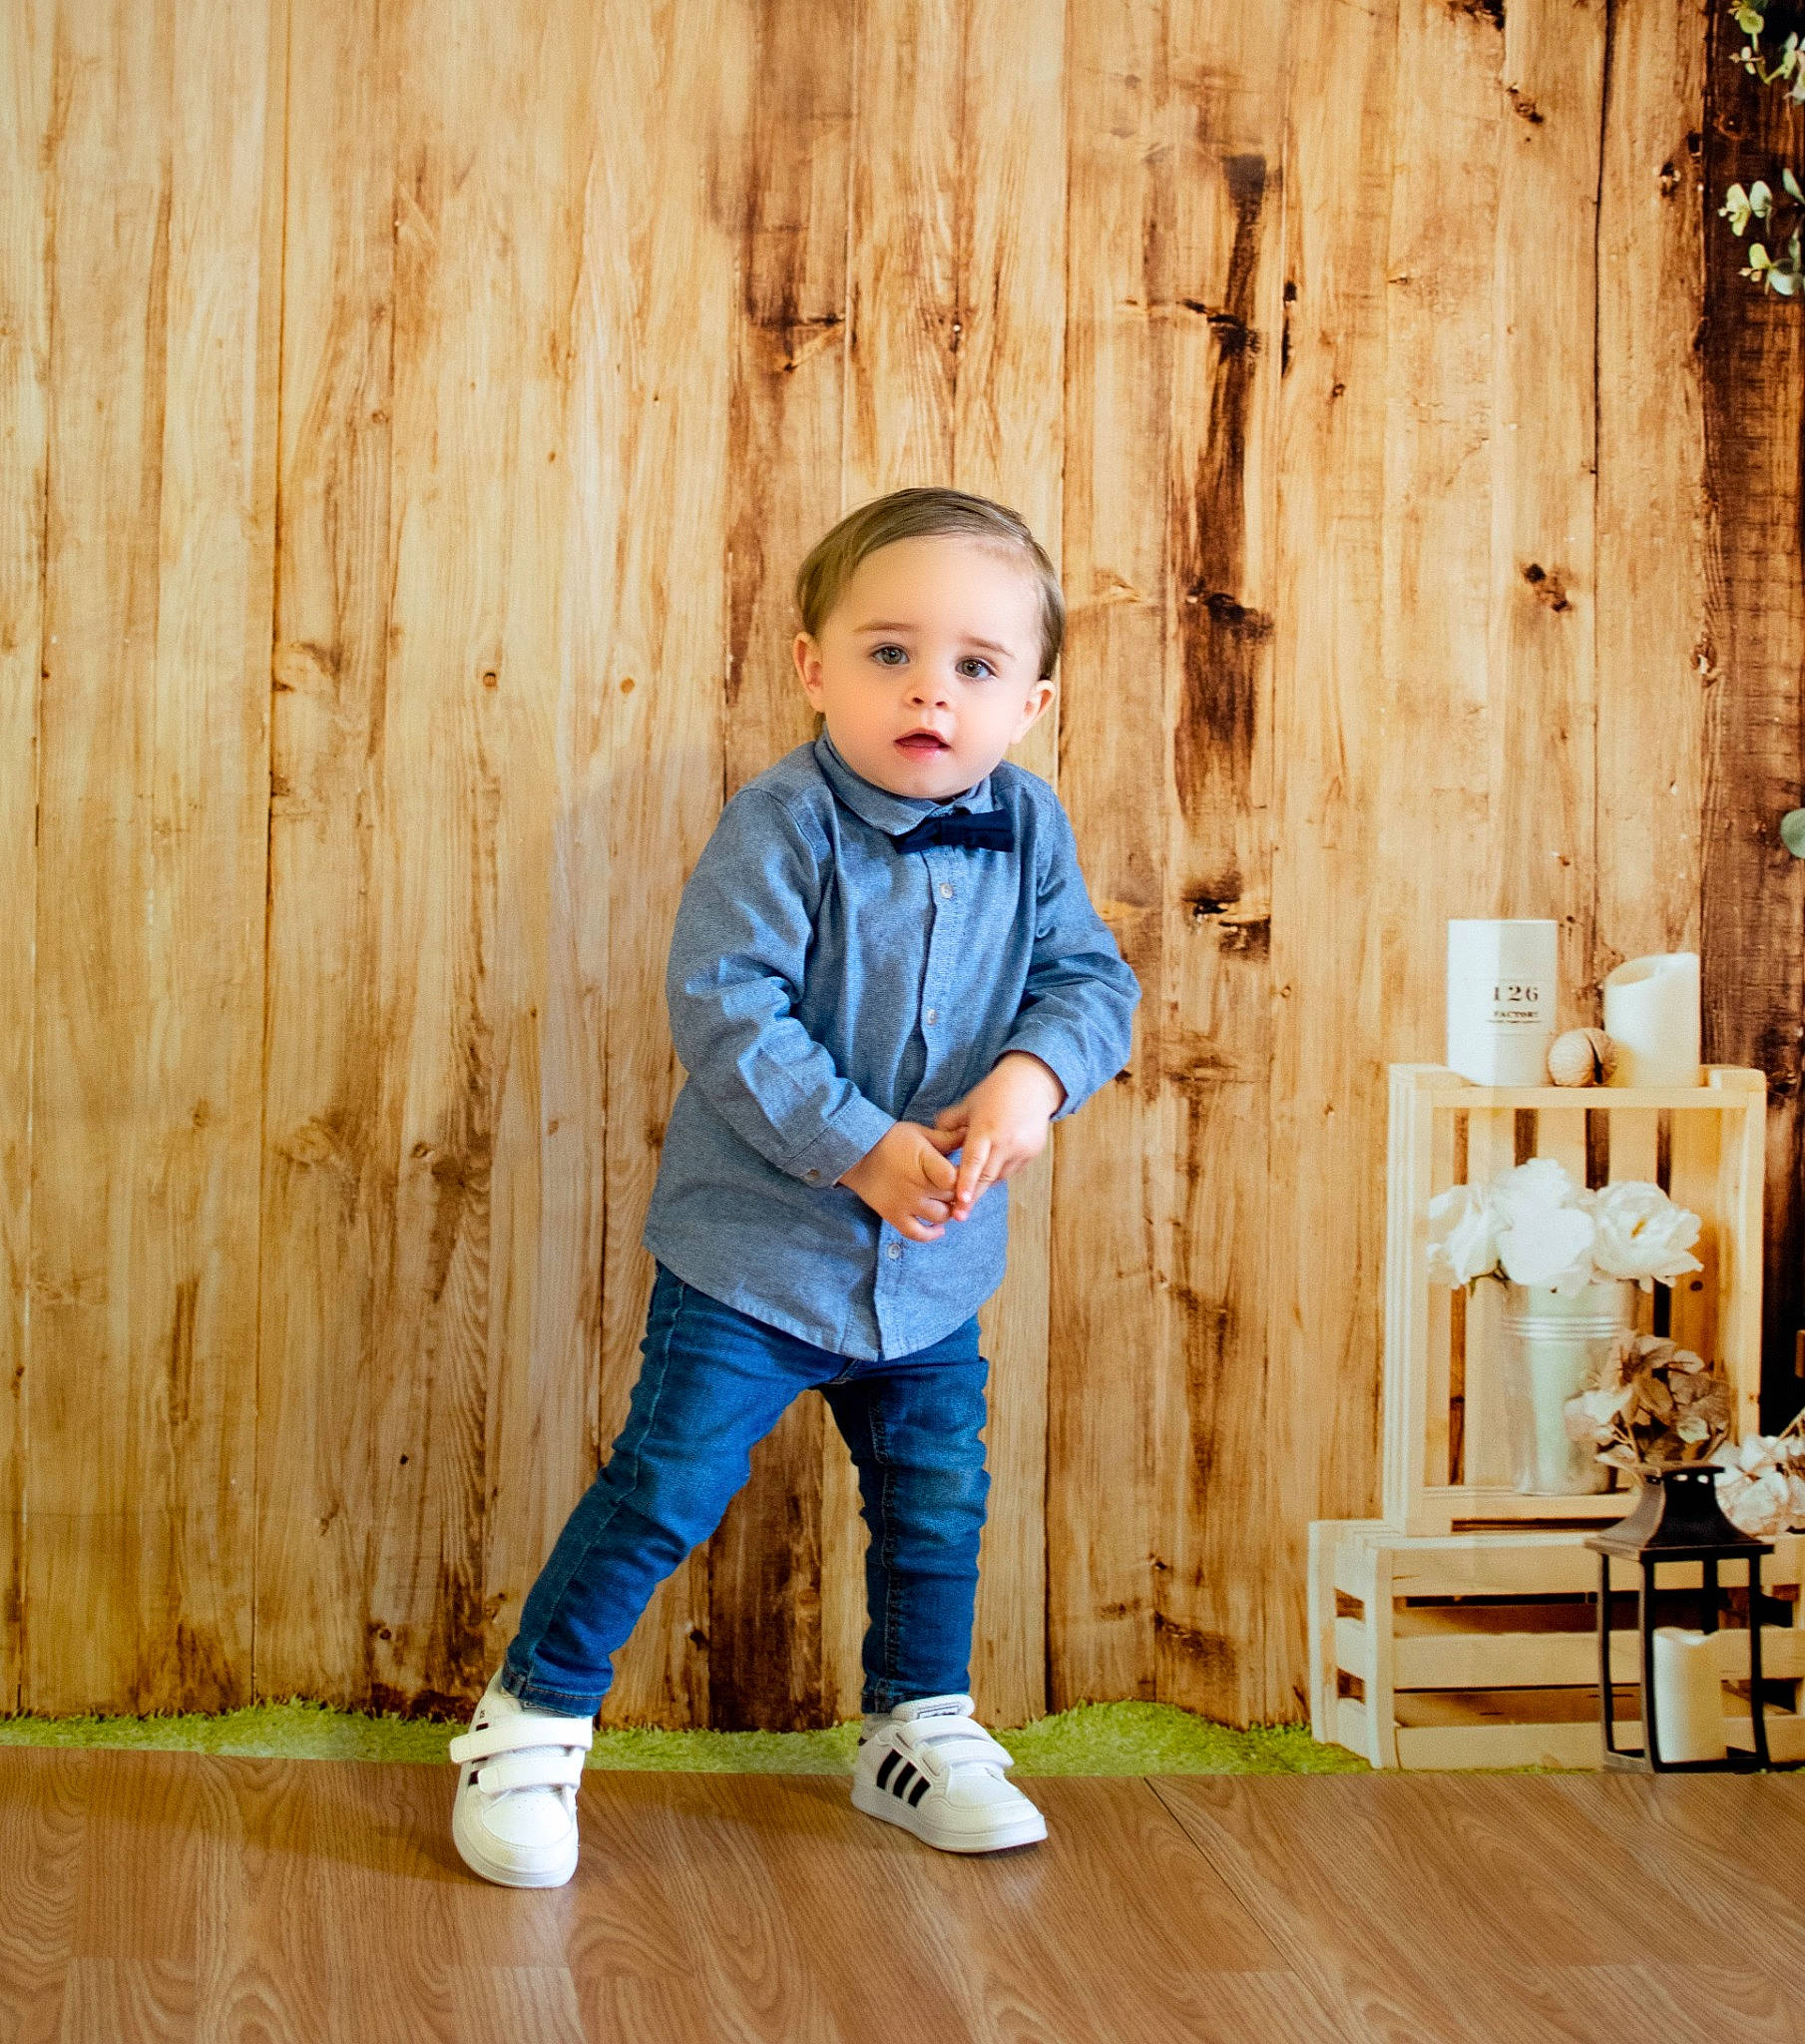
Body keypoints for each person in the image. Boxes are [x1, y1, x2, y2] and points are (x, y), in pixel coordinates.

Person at [449, 486, 1140, 1887]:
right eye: (888, 653)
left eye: (974, 666)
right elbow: (726, 1009)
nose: (928, 693)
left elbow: (1089, 977)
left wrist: (1036, 1077)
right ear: (814, 668)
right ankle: (528, 1723)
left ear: (1032, 704)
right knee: (663, 1490)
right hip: (755, 1260)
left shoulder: (1031, 828)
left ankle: (915, 1728)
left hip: (934, 1269)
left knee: (936, 1502)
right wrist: (858, 1144)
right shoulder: (780, 824)